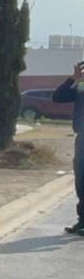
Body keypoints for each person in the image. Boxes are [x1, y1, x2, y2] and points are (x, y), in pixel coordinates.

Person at [53, 60, 84, 234]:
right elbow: (58, 98)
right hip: (82, 140)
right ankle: (82, 220)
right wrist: (73, 79)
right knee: (81, 182)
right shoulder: (81, 86)